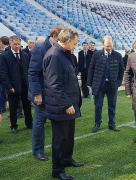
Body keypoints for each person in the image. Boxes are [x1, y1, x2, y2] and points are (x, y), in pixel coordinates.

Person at [43, 28, 83, 180]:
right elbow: (54, 85)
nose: (75, 46)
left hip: (69, 105)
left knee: (69, 136)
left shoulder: (65, 55)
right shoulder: (54, 56)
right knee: (60, 139)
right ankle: (57, 170)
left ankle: (67, 159)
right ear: (66, 41)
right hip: (60, 107)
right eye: (74, 43)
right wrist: (67, 104)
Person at [28, 26, 63, 161]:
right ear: (54, 36)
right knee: (39, 122)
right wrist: (37, 94)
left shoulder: (57, 49)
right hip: (42, 94)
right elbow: (33, 73)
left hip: (53, 93)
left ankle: (57, 148)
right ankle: (37, 151)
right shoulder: (40, 49)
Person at [87, 36, 124, 133]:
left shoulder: (118, 56)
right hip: (99, 85)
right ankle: (97, 123)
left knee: (112, 106)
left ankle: (112, 124)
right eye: (107, 46)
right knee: (98, 105)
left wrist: (118, 83)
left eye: (111, 45)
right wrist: (89, 83)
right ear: (103, 44)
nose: (109, 48)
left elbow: (121, 70)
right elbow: (91, 69)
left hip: (112, 86)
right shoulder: (96, 55)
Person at [0, 35, 33, 134]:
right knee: (13, 108)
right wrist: (10, 86)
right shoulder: (4, 56)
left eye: (18, 44)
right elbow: (3, 73)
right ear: (10, 44)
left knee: (27, 106)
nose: (17, 46)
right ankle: (13, 125)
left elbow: (28, 70)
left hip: (25, 85)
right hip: (12, 87)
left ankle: (29, 123)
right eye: (15, 44)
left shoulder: (25, 55)